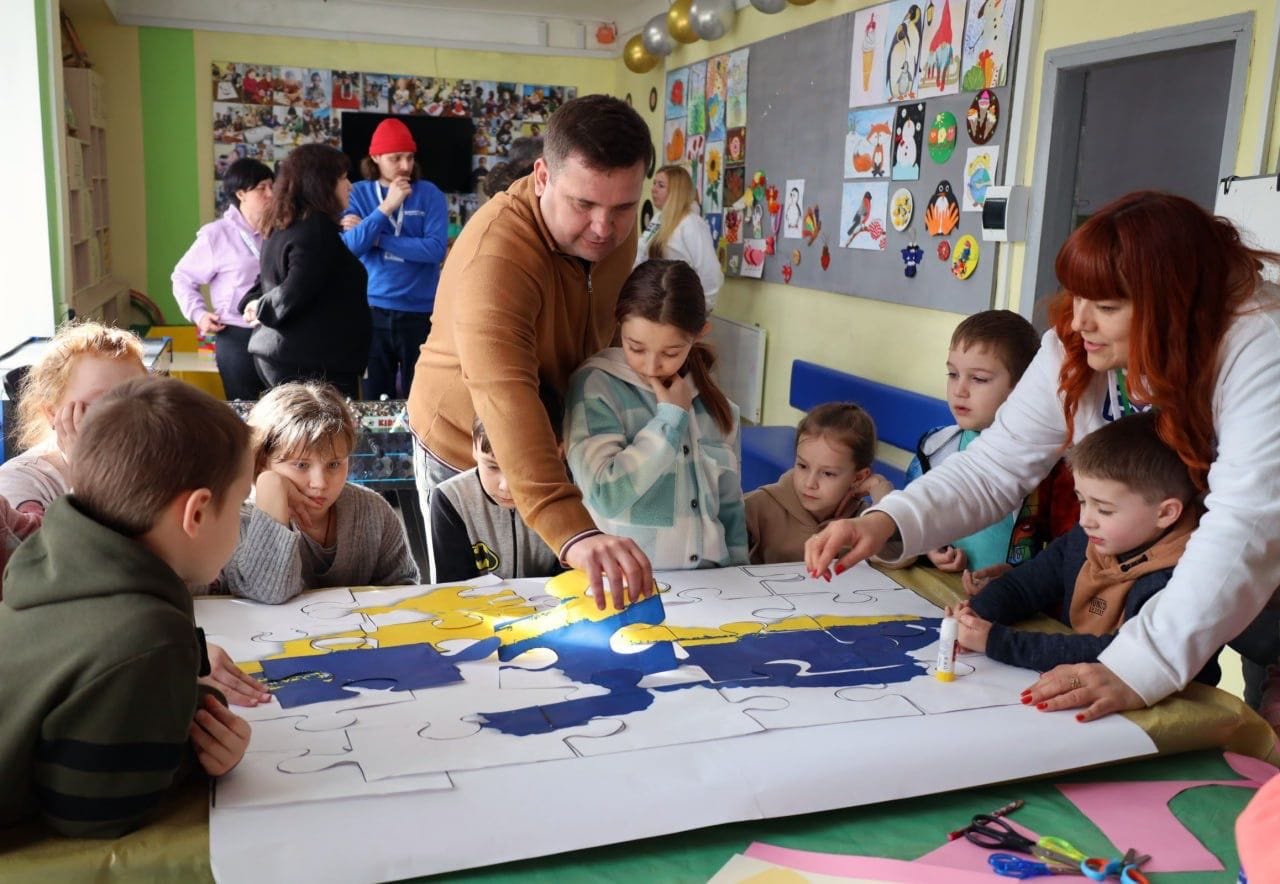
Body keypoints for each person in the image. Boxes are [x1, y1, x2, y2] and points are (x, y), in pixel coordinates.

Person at [806, 191, 1280, 721]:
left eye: (1106, 307)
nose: (1080, 323)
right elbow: (996, 463)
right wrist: (887, 520)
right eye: (1077, 298)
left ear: (1176, 308)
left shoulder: (1261, 346)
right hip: (1191, 585)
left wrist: (1142, 663)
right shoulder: (1077, 349)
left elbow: (1247, 525)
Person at [406, 94, 655, 608]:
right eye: (583, 204)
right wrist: (574, 530)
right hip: (466, 444)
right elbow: (505, 397)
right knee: (476, 608)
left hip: (552, 433)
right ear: (542, 177)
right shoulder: (495, 257)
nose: (604, 228)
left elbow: (608, 330)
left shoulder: (609, 232)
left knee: (556, 602)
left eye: (623, 207)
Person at [0, 376, 253, 837]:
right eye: (239, 506)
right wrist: (197, 750)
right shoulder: (149, 637)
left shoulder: (51, 559)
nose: (241, 522)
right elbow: (87, 812)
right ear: (195, 514)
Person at [951, 414, 1216, 686]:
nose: (1085, 520)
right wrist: (978, 613)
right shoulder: (1087, 538)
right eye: (1081, 501)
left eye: (1104, 509)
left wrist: (997, 642)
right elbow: (1025, 585)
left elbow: (1118, 654)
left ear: (1166, 513)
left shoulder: (1183, 576)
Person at [566, 259, 746, 570]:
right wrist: (670, 419)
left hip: (715, 588)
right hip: (627, 587)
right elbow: (604, 494)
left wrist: (741, 571)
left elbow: (730, 506)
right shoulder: (597, 387)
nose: (651, 366)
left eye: (671, 353)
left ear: (699, 334)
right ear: (618, 323)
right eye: (636, 348)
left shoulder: (720, 409)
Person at [218, 382, 418, 604]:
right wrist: (271, 484)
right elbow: (270, 592)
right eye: (301, 465)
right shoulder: (239, 519)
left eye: (334, 465)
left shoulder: (372, 510)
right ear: (263, 461)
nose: (320, 483)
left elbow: (405, 591)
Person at [899, 309, 1042, 575]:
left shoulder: (1044, 464)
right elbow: (916, 519)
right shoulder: (934, 448)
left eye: (978, 379)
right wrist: (930, 547)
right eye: (953, 374)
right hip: (945, 597)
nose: (959, 390)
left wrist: (1014, 582)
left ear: (1024, 387)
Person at [241, 144, 370, 399]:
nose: (350, 186)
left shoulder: (285, 223)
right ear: (322, 182)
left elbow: (270, 281)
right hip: (310, 365)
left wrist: (253, 302)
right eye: (343, 178)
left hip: (290, 357)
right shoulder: (317, 228)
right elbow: (294, 290)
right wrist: (260, 308)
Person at [340, 119, 448, 401]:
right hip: (372, 308)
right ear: (375, 158)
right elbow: (351, 246)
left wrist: (378, 238)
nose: (405, 165)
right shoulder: (358, 192)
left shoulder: (430, 194)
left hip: (421, 311)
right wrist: (388, 206)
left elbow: (435, 250)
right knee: (377, 397)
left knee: (420, 397)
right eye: (395, 158)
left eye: (410, 157)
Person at [0, 322, 146, 514]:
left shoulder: (148, 458)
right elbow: (60, 544)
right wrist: (86, 469)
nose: (126, 415)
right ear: (52, 412)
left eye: (139, 396)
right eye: (103, 402)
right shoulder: (20, 483)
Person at [428, 384, 565, 583]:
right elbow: (454, 588)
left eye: (522, 470)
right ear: (475, 446)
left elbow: (569, 581)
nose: (506, 487)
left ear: (559, 453)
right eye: (492, 466)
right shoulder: (451, 499)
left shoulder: (570, 497)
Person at [172, 158, 275, 400]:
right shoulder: (217, 234)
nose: (271, 193)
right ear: (241, 194)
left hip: (276, 332)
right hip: (237, 334)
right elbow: (182, 277)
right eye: (262, 188)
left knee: (279, 411)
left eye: (272, 186)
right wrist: (198, 313)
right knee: (244, 410)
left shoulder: (279, 229)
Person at [744, 402, 893, 565]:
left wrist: (880, 487)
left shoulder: (863, 519)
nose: (809, 483)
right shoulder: (755, 508)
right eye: (802, 466)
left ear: (858, 478)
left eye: (828, 473)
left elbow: (897, 558)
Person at [635, 165, 723, 311]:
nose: (653, 189)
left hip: (682, 308)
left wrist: (702, 310)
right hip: (655, 305)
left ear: (676, 192)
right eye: (654, 183)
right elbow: (640, 254)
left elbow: (711, 274)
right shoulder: (658, 219)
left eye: (661, 185)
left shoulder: (691, 223)